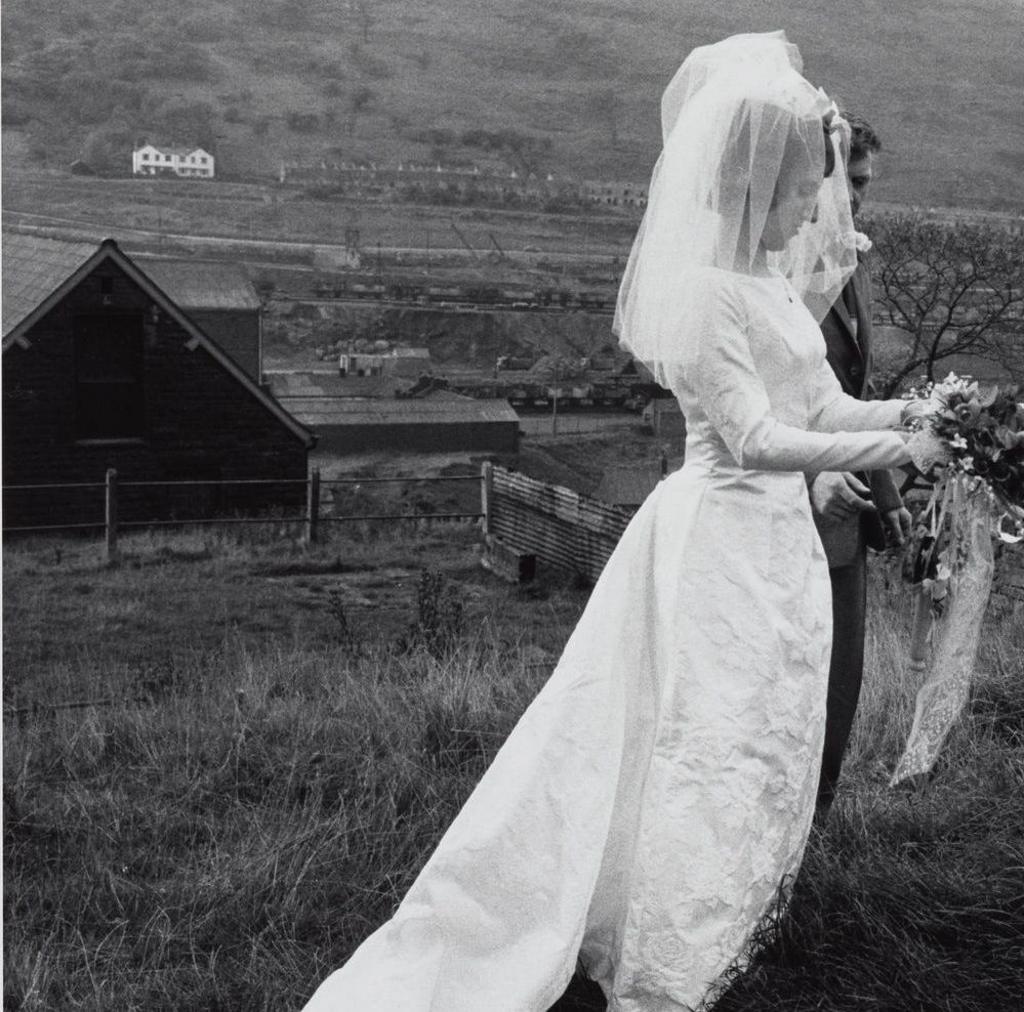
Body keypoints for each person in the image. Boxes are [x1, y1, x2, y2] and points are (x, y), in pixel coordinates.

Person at [302, 32, 927, 1012]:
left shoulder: (769, 287)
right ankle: (663, 967)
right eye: (808, 187)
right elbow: (760, 438)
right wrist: (892, 448)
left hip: (777, 552)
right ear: (761, 183)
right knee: (700, 741)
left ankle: (725, 921)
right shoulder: (710, 296)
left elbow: (822, 407)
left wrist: (912, 422)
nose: (821, 207)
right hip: (719, 540)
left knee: (756, 737)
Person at [809, 115, 909, 818]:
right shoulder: (772, 264)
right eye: (854, 182)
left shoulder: (856, 260)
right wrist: (811, 474)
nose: (863, 199)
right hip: (790, 498)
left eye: (869, 183)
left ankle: (821, 816)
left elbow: (854, 393)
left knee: (843, 673)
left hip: (850, 498)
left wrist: (888, 489)